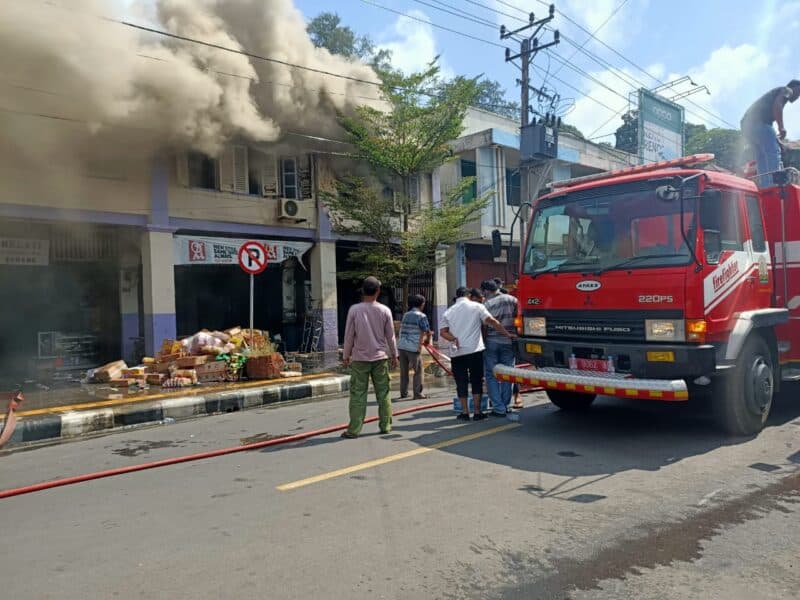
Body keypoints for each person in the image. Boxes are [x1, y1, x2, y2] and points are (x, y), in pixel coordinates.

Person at [440, 286, 515, 421]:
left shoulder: (448, 312)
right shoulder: (476, 307)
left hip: (457, 352)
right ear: (469, 295)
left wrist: (453, 338)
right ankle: (477, 412)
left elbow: (443, 332)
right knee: (476, 380)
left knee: (461, 382)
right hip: (474, 350)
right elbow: (491, 321)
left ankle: (464, 413)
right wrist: (507, 334)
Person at [341, 276, 399, 438]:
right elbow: (391, 337)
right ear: (378, 291)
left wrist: (346, 355)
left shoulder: (354, 310)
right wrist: (394, 355)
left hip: (360, 359)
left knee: (358, 395)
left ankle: (354, 430)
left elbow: (349, 336)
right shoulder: (385, 310)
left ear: (363, 291)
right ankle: (386, 425)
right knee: (384, 393)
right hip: (381, 359)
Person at [741, 80, 800, 188]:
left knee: (762, 156)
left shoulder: (772, 98)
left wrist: (779, 142)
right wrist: (781, 127)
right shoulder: (787, 90)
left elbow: (768, 129)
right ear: (795, 87)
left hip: (747, 126)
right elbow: (778, 104)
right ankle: (775, 185)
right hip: (758, 123)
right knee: (772, 152)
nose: (798, 96)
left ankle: (766, 186)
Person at [481, 279, 519, 417]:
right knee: (508, 374)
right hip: (509, 341)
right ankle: (506, 405)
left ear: (486, 291)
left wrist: (484, 343)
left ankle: (498, 408)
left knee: (491, 375)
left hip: (491, 341)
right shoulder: (513, 300)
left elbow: (484, 326)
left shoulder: (487, 304)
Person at [397, 294, 433, 400]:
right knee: (418, 371)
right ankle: (417, 393)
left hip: (402, 346)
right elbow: (427, 331)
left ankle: (403, 392)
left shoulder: (406, 314)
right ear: (422, 304)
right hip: (413, 347)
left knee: (404, 371)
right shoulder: (421, 316)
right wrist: (426, 341)